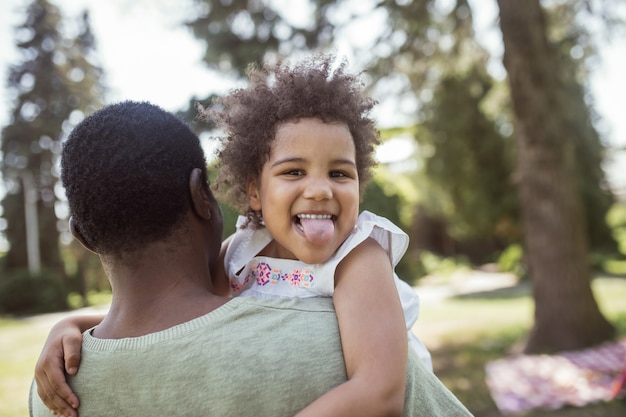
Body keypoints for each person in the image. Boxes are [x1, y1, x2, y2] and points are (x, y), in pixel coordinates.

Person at [31, 100, 472, 417]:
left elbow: (380, 393)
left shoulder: (359, 255)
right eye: (294, 172)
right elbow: (166, 309)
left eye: (340, 173)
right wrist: (72, 325)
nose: (320, 189)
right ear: (253, 192)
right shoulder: (242, 252)